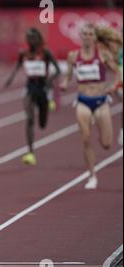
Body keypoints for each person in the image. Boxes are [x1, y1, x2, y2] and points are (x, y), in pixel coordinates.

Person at [60, 24, 121, 190]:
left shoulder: (103, 54)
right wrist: (65, 82)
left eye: (90, 34)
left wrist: (114, 85)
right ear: (81, 36)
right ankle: (92, 175)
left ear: (95, 37)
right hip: (82, 101)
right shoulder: (73, 56)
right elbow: (68, 76)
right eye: (84, 34)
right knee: (85, 138)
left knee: (106, 143)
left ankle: (99, 156)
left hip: (101, 101)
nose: (87, 36)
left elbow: (118, 72)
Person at [5, 28, 61, 166]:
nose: (30, 40)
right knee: (29, 118)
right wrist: (11, 78)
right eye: (28, 38)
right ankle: (30, 152)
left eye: (33, 38)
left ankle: (45, 110)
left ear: (38, 39)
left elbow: (58, 70)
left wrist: (49, 82)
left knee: (42, 124)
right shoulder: (23, 53)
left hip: (42, 88)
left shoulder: (46, 52)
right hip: (30, 87)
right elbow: (18, 65)